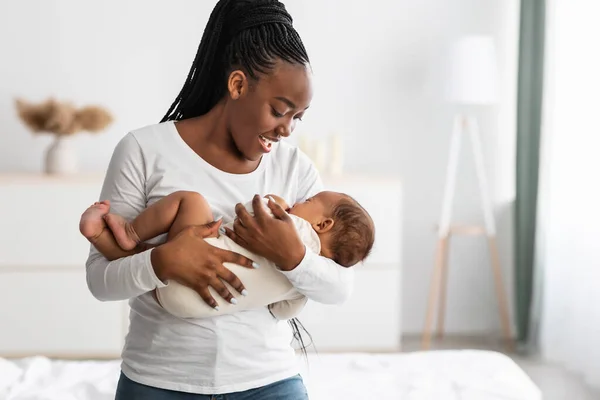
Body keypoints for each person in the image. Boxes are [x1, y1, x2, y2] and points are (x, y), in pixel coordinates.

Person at [85, 0, 356, 398]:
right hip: (159, 382)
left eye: (299, 117)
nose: (287, 130)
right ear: (238, 85)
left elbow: (339, 287)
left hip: (270, 382)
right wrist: (161, 261)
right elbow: (99, 281)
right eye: (280, 111)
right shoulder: (145, 149)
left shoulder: (295, 169)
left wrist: (293, 258)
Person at [80, 191, 374, 320]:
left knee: (191, 202)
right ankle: (99, 235)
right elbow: (280, 312)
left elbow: (248, 210)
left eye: (309, 200)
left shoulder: (293, 226)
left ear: (323, 225)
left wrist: (276, 201)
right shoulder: (303, 287)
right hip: (191, 307)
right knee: (159, 257)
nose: (299, 200)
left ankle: (129, 232)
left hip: (181, 273)